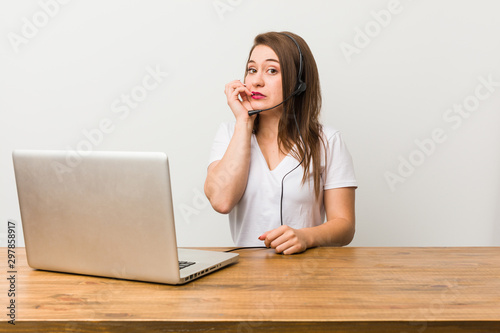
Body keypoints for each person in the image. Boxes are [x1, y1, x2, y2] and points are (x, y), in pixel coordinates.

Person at [204, 31, 357, 255]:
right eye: (252, 70)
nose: (256, 80)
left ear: (299, 83)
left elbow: (345, 225)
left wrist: (306, 236)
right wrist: (244, 124)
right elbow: (221, 201)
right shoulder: (230, 133)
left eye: (272, 70)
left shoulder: (328, 141)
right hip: (244, 279)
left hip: (307, 276)